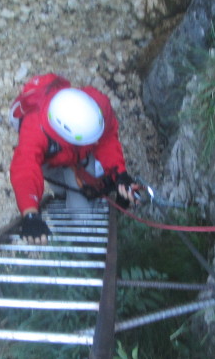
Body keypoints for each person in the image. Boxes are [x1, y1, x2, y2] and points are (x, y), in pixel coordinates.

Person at [8, 73, 139, 244]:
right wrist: (30, 213)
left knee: (82, 214)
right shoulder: (35, 128)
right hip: (52, 159)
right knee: (61, 193)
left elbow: (106, 140)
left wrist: (119, 174)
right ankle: (66, 211)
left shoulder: (98, 105)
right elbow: (25, 168)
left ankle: (83, 236)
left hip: (80, 158)